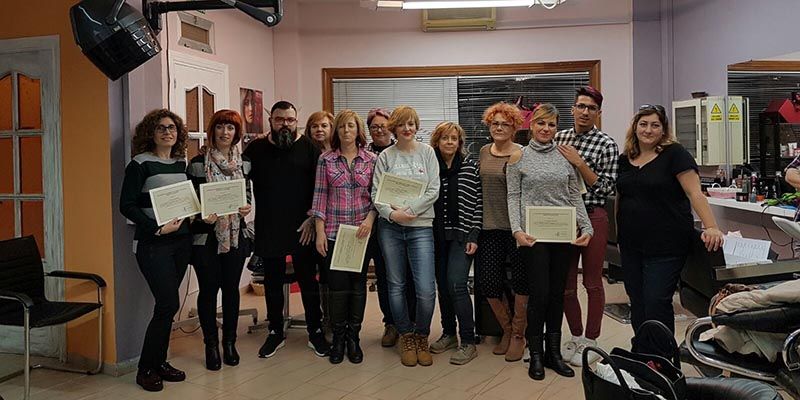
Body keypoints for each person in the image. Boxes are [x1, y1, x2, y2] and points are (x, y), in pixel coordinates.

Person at [616, 105, 724, 336]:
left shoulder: (675, 154)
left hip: (666, 244)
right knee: (638, 302)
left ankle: (663, 360)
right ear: (635, 127)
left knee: (656, 301)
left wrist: (712, 226)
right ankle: (643, 354)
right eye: (643, 124)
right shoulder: (626, 159)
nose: (648, 130)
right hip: (632, 245)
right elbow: (620, 197)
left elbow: (695, 193)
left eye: (655, 125)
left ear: (663, 130)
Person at [507, 103, 593, 381]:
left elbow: (573, 194)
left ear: (557, 127)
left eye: (552, 125)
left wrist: (587, 227)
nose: (546, 129)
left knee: (558, 294)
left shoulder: (565, 156)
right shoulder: (518, 157)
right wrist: (517, 230)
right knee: (540, 294)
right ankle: (535, 354)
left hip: (562, 236)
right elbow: (513, 196)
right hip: (533, 238)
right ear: (531, 126)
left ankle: (553, 353)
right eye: (541, 124)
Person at [243, 101, 330, 359]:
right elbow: (238, 179)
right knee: (272, 282)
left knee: (307, 281)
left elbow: (321, 189)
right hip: (269, 227)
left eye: (290, 120)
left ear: (296, 121)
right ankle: (275, 331)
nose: (285, 124)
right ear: (271, 120)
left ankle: (315, 330)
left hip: (304, 227)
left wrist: (313, 219)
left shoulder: (311, 148)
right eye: (280, 119)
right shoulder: (256, 149)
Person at [120, 109, 192, 392]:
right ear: (151, 132)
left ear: (178, 134)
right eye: (161, 128)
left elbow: (187, 201)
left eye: (172, 128)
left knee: (168, 306)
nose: (167, 132)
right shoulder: (138, 164)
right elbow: (126, 205)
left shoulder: (180, 164)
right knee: (167, 305)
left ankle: (160, 362)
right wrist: (156, 228)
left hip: (181, 243)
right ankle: (145, 369)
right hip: (154, 243)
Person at [554, 86, 620, 367]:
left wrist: (580, 163)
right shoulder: (559, 137)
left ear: (598, 113)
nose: (584, 112)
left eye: (591, 108)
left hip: (593, 215)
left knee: (592, 282)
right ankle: (576, 336)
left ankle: (591, 340)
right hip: (562, 217)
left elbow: (607, 188)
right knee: (566, 284)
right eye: (580, 106)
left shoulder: (607, 144)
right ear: (572, 109)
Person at [372, 106, 440, 367]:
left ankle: (422, 334)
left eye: (412, 124)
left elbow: (433, 189)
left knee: (424, 288)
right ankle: (406, 335)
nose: (407, 128)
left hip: (421, 226)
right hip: (391, 227)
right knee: (396, 285)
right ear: (395, 128)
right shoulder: (386, 156)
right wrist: (392, 215)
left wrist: (410, 211)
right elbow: (377, 193)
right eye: (402, 124)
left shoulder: (427, 153)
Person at [187, 110, 252, 371]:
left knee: (231, 291)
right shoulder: (196, 163)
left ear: (237, 133)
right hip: (206, 238)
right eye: (221, 127)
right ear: (212, 130)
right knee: (208, 291)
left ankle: (229, 343)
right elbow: (190, 205)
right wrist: (203, 217)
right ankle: (210, 345)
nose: (225, 133)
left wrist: (246, 207)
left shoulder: (245, 162)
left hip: (236, 236)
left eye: (231, 128)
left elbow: (245, 195)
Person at [311, 109, 377, 364]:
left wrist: (370, 220)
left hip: (361, 233)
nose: (346, 131)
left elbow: (376, 197)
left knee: (358, 286)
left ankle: (354, 338)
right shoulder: (326, 160)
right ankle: (338, 338)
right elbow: (320, 197)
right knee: (337, 288)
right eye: (341, 127)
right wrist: (319, 231)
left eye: (351, 126)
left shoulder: (371, 160)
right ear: (336, 132)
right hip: (333, 233)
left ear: (358, 130)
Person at [476, 102, 529, 362]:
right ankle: (506, 330)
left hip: (517, 229)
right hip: (489, 228)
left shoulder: (523, 153)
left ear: (514, 127)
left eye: (504, 123)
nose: (498, 127)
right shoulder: (484, 152)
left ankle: (519, 335)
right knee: (488, 282)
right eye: (494, 123)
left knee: (521, 281)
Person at [428, 122, 483, 365]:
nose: (449, 142)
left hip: (463, 236)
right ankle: (449, 333)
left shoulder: (471, 167)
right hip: (436, 235)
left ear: (460, 142)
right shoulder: (430, 168)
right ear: (437, 142)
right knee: (443, 285)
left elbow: (478, 203)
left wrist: (474, 234)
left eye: (454, 138)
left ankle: (468, 341)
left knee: (457, 284)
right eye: (445, 138)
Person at [365, 107, 415, 347]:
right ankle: (391, 324)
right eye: (374, 126)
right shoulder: (364, 155)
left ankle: (411, 323)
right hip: (379, 225)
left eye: (383, 125)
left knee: (410, 276)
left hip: (408, 220)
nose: (379, 130)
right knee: (387, 277)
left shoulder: (404, 152)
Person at [303, 111, 335, 340]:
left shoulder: (338, 154)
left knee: (330, 274)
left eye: (324, 125)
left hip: (333, 223)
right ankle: (320, 320)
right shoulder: (304, 154)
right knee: (314, 275)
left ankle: (333, 320)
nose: (319, 129)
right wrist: (311, 218)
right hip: (308, 222)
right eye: (314, 125)